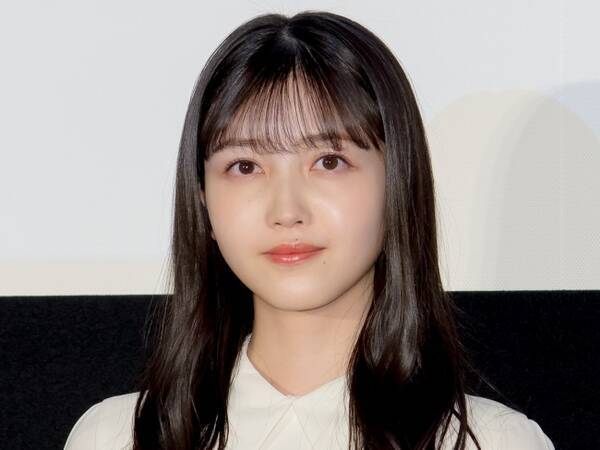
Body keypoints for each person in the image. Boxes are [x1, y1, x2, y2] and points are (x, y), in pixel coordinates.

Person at [64, 10, 555, 450]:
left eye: (329, 161)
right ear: (202, 200)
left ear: (398, 183)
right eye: (245, 166)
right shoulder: (117, 436)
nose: (287, 210)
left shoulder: (490, 442)